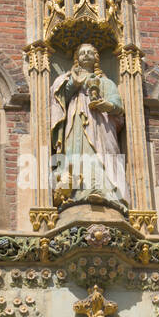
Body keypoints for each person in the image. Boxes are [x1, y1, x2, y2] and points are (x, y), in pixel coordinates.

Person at [50, 42, 127, 208]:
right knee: (76, 152)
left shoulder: (106, 83)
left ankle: (103, 191)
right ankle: (77, 193)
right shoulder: (69, 78)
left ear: (96, 58)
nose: (85, 55)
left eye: (90, 52)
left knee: (101, 155)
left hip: (101, 125)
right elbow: (59, 98)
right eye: (82, 52)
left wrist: (105, 105)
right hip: (76, 119)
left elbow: (118, 106)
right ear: (77, 57)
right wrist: (74, 83)